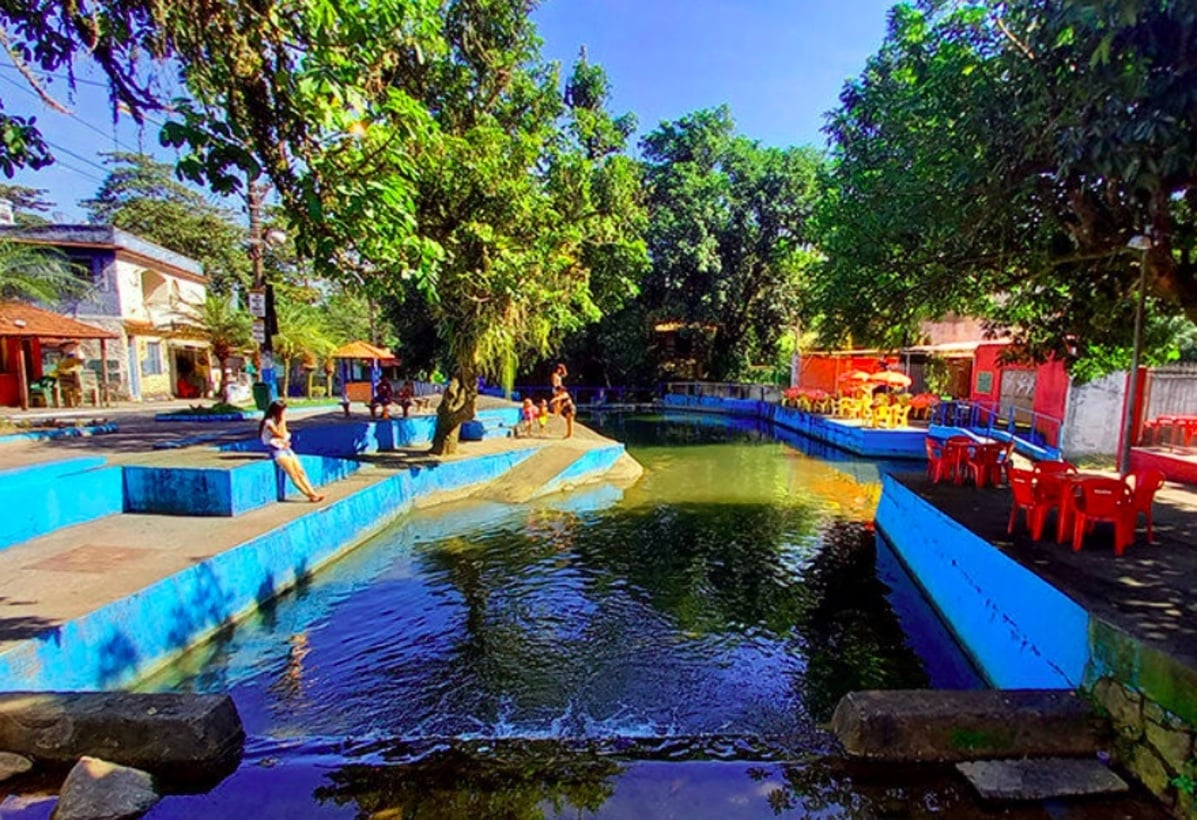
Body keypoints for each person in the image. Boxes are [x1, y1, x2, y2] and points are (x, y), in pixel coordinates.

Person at [259, 400, 325, 502]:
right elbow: (280, 434)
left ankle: (313, 492)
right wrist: (282, 421)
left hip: (285, 447)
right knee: (293, 474)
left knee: (300, 471)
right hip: (276, 450)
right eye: (283, 411)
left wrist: (282, 422)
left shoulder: (279, 420)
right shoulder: (269, 422)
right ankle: (309, 495)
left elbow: (285, 435)